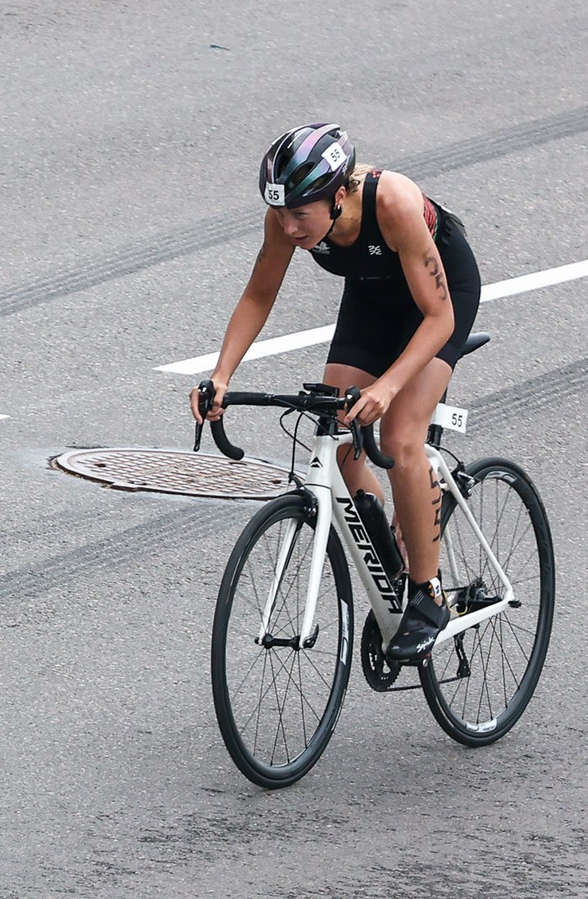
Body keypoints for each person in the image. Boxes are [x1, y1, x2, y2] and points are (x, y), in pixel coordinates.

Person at [192, 123, 482, 660]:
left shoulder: (392, 201)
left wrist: (391, 387)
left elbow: (439, 316)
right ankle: (393, 562)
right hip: (372, 298)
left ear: (340, 195)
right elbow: (259, 293)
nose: (289, 226)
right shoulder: (287, 219)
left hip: (439, 301)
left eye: (301, 214)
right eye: (281, 213)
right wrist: (222, 375)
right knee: (338, 437)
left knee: (397, 440)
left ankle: (427, 595)